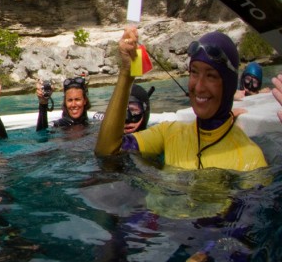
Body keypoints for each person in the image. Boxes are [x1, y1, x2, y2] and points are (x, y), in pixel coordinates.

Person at [96, 27, 266, 170]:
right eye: (194, 72)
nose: (198, 87)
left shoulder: (250, 158)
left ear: (229, 85)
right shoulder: (169, 133)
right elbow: (107, 151)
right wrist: (126, 73)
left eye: (211, 76)